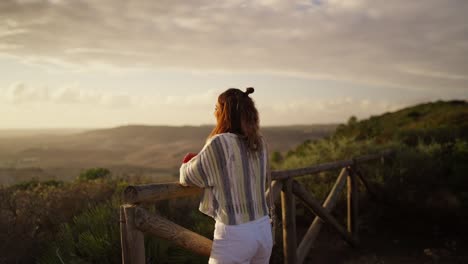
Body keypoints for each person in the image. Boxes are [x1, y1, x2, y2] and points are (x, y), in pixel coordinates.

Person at [179, 87, 273, 264]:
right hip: (263, 229)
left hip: (235, 232)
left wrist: (187, 162)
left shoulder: (220, 142)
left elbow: (188, 177)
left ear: (225, 112)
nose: (214, 112)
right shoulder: (259, 142)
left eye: (216, 108)